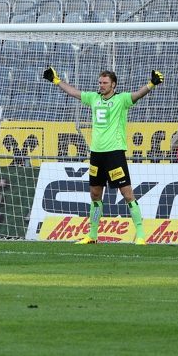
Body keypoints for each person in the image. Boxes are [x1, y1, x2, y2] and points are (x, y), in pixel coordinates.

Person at [43, 67, 164, 244]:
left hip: (114, 154)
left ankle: (140, 235)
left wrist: (151, 84)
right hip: (96, 155)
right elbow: (74, 92)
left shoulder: (121, 100)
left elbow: (138, 94)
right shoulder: (94, 98)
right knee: (94, 194)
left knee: (127, 194)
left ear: (113, 85)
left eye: (105, 83)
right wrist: (56, 80)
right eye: (100, 82)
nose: (101, 86)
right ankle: (92, 235)